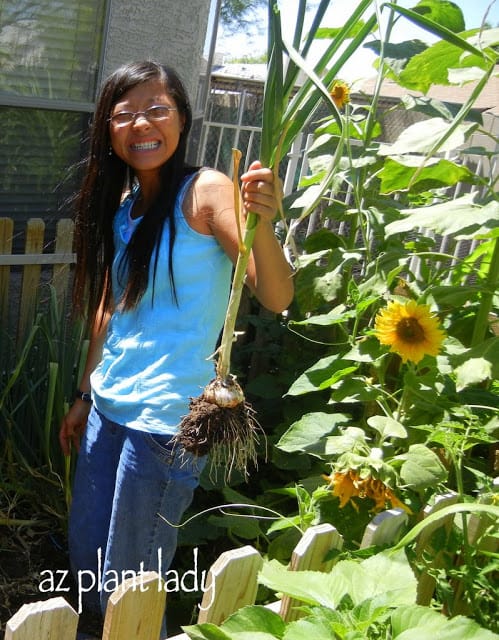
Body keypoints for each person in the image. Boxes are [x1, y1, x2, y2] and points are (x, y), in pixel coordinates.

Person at [58, 60, 294, 634]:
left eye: (157, 109)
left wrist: (264, 220)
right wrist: (83, 394)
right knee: (86, 561)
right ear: (108, 131)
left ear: (183, 119)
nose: (141, 123)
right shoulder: (127, 209)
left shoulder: (208, 191)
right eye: (124, 114)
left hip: (165, 423)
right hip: (107, 412)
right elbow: (110, 310)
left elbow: (276, 295)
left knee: (130, 582)